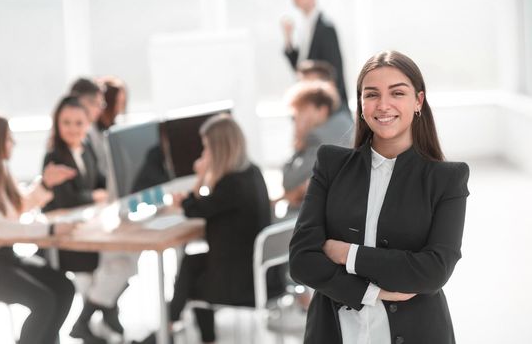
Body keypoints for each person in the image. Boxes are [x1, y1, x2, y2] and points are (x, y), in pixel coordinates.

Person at [289, 50, 470, 344]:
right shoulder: (331, 164)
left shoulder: (447, 179)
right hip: (334, 333)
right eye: (371, 94)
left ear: (418, 102)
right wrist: (373, 292)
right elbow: (300, 261)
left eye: (397, 93)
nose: (383, 105)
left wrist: (346, 254)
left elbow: (433, 271)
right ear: (360, 104)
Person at [146, 114, 284, 344]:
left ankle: (166, 331)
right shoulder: (253, 173)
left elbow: (193, 209)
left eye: (207, 148)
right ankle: (179, 331)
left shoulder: (230, 185)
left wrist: (200, 176)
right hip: (266, 278)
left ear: (218, 150)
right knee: (194, 263)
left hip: (242, 286)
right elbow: (207, 207)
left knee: (190, 269)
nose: (204, 154)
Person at [42, 95, 116, 344]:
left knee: (122, 262)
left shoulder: (88, 151)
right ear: (57, 124)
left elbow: (102, 181)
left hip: (93, 227)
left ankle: (92, 317)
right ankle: (94, 318)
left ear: (87, 124)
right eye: (66, 122)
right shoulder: (53, 157)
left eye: (78, 123)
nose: (73, 129)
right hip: (68, 239)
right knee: (102, 270)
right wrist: (96, 196)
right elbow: (65, 200)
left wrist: (110, 191)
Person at [0, 115, 76, 344]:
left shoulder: (2, 173)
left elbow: (17, 209)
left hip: (7, 258)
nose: (13, 143)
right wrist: (50, 230)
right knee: (43, 302)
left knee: (64, 287)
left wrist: (45, 185)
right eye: (8, 139)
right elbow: (3, 229)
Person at [281, 80, 353, 210]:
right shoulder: (345, 124)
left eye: (300, 112)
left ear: (322, 110)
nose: (296, 119)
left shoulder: (317, 136)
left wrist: (298, 141)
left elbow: (289, 180)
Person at [281, 0, 348, 104]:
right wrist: (288, 39)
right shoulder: (304, 26)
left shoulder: (326, 28)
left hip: (324, 106)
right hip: (311, 103)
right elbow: (300, 69)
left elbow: (333, 73)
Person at [70, 78, 107, 175]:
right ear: (80, 102)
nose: (100, 110)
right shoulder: (68, 136)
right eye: (97, 104)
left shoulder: (90, 131)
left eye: (102, 105)